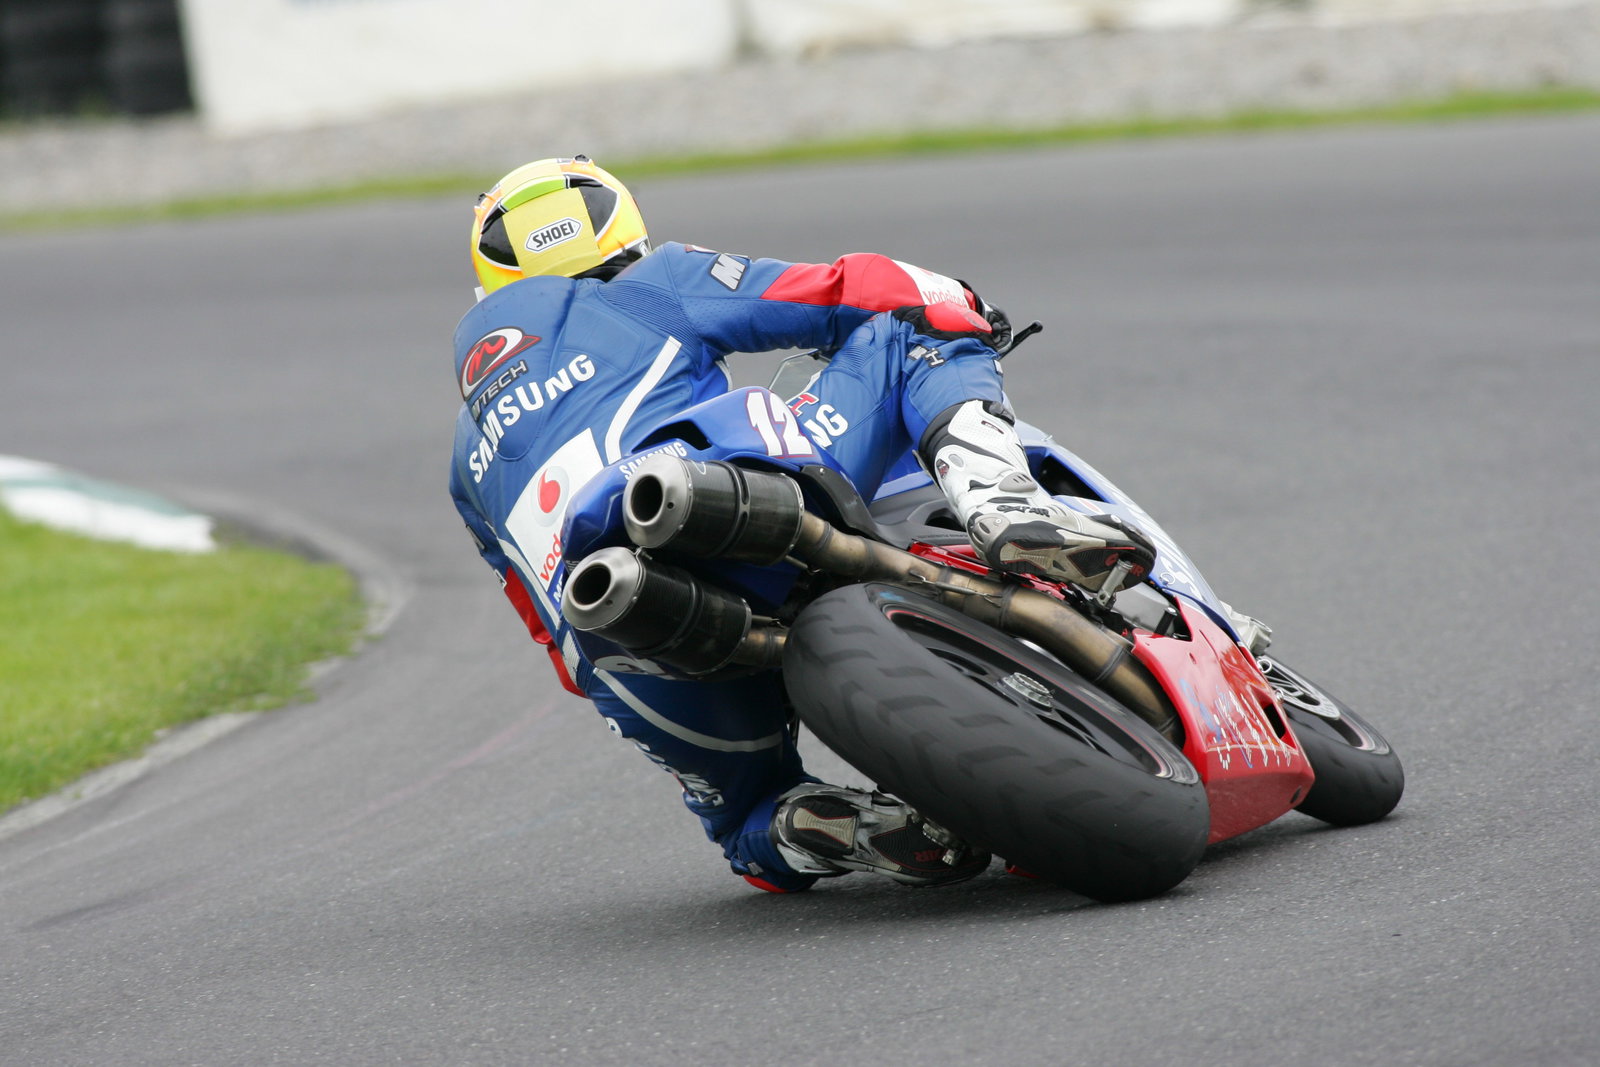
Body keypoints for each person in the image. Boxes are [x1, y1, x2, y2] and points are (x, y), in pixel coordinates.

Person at [448, 156, 1156, 892]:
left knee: (746, 818)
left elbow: (547, 637)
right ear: (620, 232)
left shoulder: (465, 464)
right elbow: (848, 292)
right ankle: (1005, 506)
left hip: (627, 644)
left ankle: (817, 826)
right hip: (729, 502)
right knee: (912, 329)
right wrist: (962, 303)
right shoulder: (652, 284)